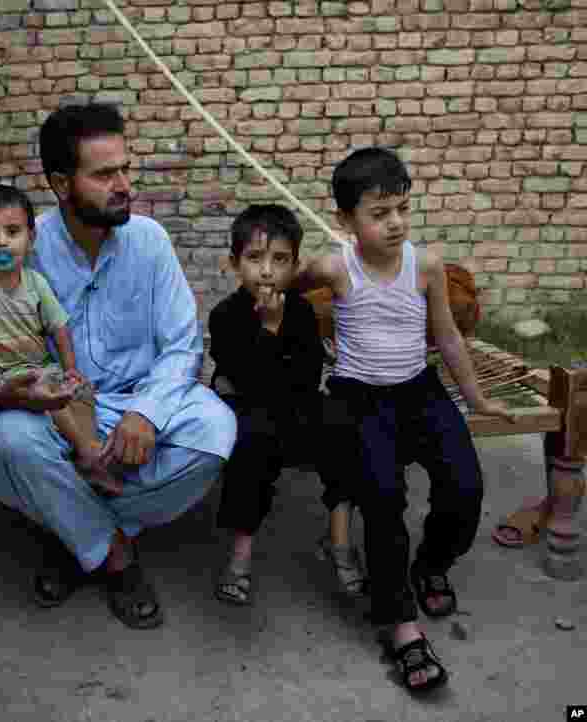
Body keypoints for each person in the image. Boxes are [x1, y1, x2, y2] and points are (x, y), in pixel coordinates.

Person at [0, 103, 236, 629]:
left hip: (135, 398)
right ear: (60, 183)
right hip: (56, 415)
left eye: (124, 169)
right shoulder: (18, 246)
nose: (123, 185)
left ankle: (71, 529)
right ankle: (111, 553)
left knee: (214, 429)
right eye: (103, 174)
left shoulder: (150, 241)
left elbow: (183, 344)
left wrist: (146, 413)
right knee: (12, 439)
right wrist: (8, 395)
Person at [294, 146, 515, 693]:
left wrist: (478, 399)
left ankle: (433, 562)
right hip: (358, 397)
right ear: (346, 221)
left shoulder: (427, 265)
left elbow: (447, 337)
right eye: (378, 213)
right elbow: (289, 289)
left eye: (402, 209)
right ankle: (401, 625)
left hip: (420, 390)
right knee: (384, 499)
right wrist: (282, 317)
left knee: (464, 484)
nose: (395, 224)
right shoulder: (332, 266)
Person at [208, 204, 365, 606]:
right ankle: (240, 552)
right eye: (255, 258)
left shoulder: (301, 311)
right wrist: (269, 330)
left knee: (342, 422)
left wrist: (282, 334)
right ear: (234, 263)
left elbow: (307, 377)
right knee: (252, 438)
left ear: (294, 267)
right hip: (251, 408)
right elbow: (248, 382)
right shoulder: (224, 316)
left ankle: (339, 536)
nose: (266, 271)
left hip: (295, 404)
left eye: (279, 260)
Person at [0, 184, 121, 495]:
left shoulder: (35, 282)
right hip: (3, 376)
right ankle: (88, 455)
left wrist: (70, 367)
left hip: (41, 366)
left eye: (12, 232)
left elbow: (59, 327)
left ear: (30, 238)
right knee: (50, 401)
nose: (1, 242)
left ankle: (88, 445)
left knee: (79, 391)